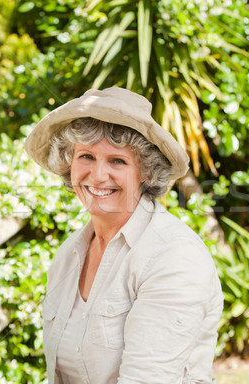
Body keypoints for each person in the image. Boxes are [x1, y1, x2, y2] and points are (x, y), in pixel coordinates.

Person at [24, 87, 223, 384]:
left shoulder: (173, 257)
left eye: (117, 161)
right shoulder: (70, 254)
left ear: (145, 171)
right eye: (86, 156)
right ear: (69, 163)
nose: (98, 175)